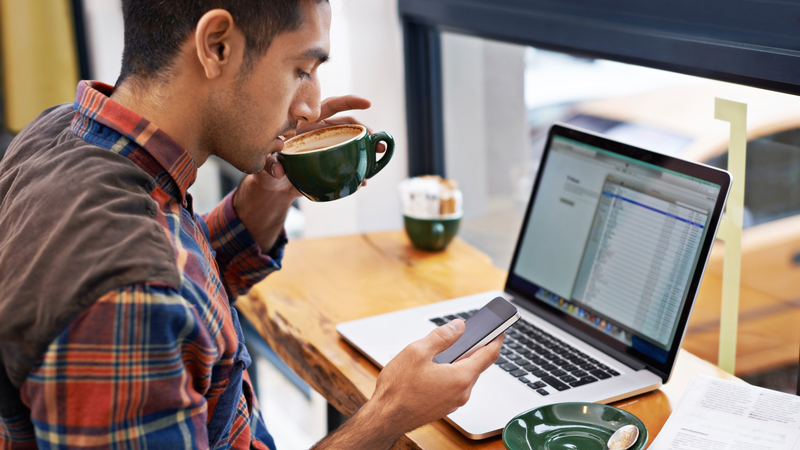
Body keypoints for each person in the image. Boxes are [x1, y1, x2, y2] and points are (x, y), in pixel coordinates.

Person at [0, 0, 503, 448]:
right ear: (217, 45)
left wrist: (270, 192)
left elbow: (184, 293)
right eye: (302, 69)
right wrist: (388, 414)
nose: (308, 108)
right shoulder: (129, 300)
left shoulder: (60, 133)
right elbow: (152, 295)